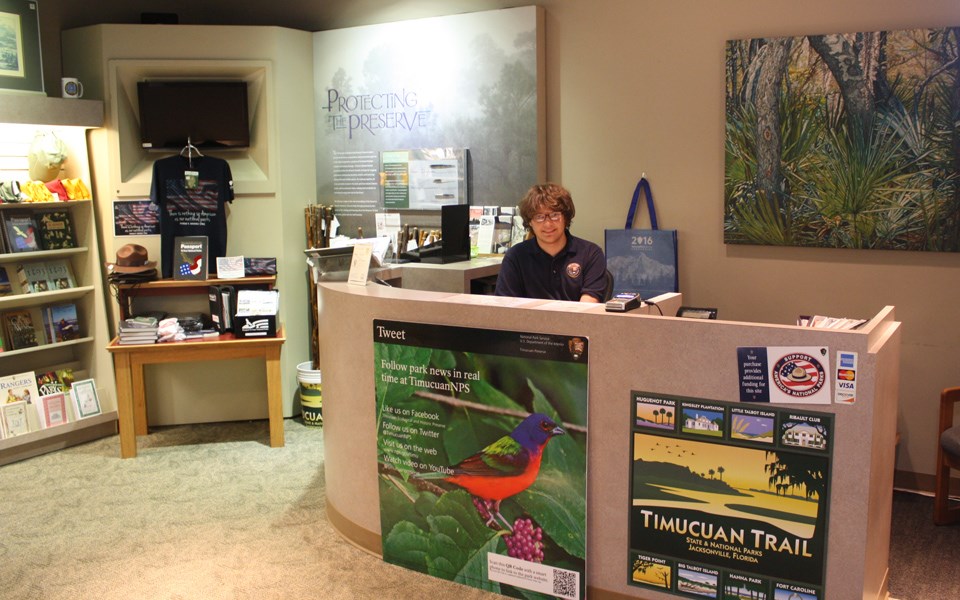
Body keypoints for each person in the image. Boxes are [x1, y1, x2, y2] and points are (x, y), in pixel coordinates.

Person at [494, 183, 606, 302]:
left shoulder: (590, 254)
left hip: (576, 319)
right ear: (530, 221)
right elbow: (505, 306)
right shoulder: (515, 256)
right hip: (529, 320)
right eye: (539, 216)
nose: (548, 224)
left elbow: (587, 306)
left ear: (566, 218)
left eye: (554, 215)